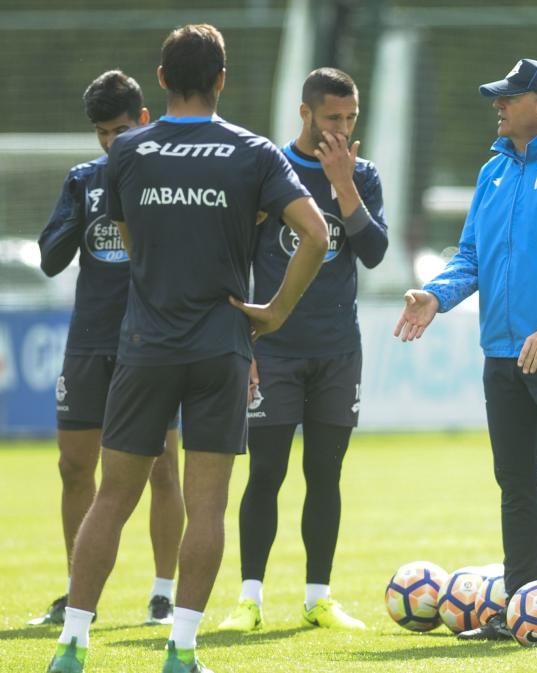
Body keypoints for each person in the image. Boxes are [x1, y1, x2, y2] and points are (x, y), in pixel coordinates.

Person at [46, 24, 329, 673]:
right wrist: (275, 312)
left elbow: (125, 235)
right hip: (220, 345)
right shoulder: (254, 152)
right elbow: (315, 232)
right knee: (208, 502)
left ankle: (73, 643)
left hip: (145, 344)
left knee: (111, 494)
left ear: (163, 79)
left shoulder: (128, 153)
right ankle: (181, 648)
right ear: (222, 80)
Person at [395, 57, 537, 642]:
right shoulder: (493, 171)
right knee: (516, 482)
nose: (498, 104)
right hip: (501, 354)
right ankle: (520, 603)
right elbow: (470, 255)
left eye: (509, 97)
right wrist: (436, 297)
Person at [218, 67, 386, 633]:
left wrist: (344, 187)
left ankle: (318, 597)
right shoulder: (269, 173)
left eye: (351, 118)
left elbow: (375, 252)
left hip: (338, 351)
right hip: (276, 349)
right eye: (332, 118)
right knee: (265, 473)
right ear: (305, 113)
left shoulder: (363, 176)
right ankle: (249, 599)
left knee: (325, 474)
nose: (342, 129)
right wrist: (246, 344)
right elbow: (236, 261)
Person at [35, 70, 184, 628]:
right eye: (102, 132)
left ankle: (162, 594)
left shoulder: (168, 180)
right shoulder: (84, 180)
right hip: (89, 341)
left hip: (150, 342)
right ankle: (79, 593)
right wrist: (85, 211)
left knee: (164, 467)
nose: (111, 142)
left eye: (120, 129)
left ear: (144, 120)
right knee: (75, 465)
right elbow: (51, 256)